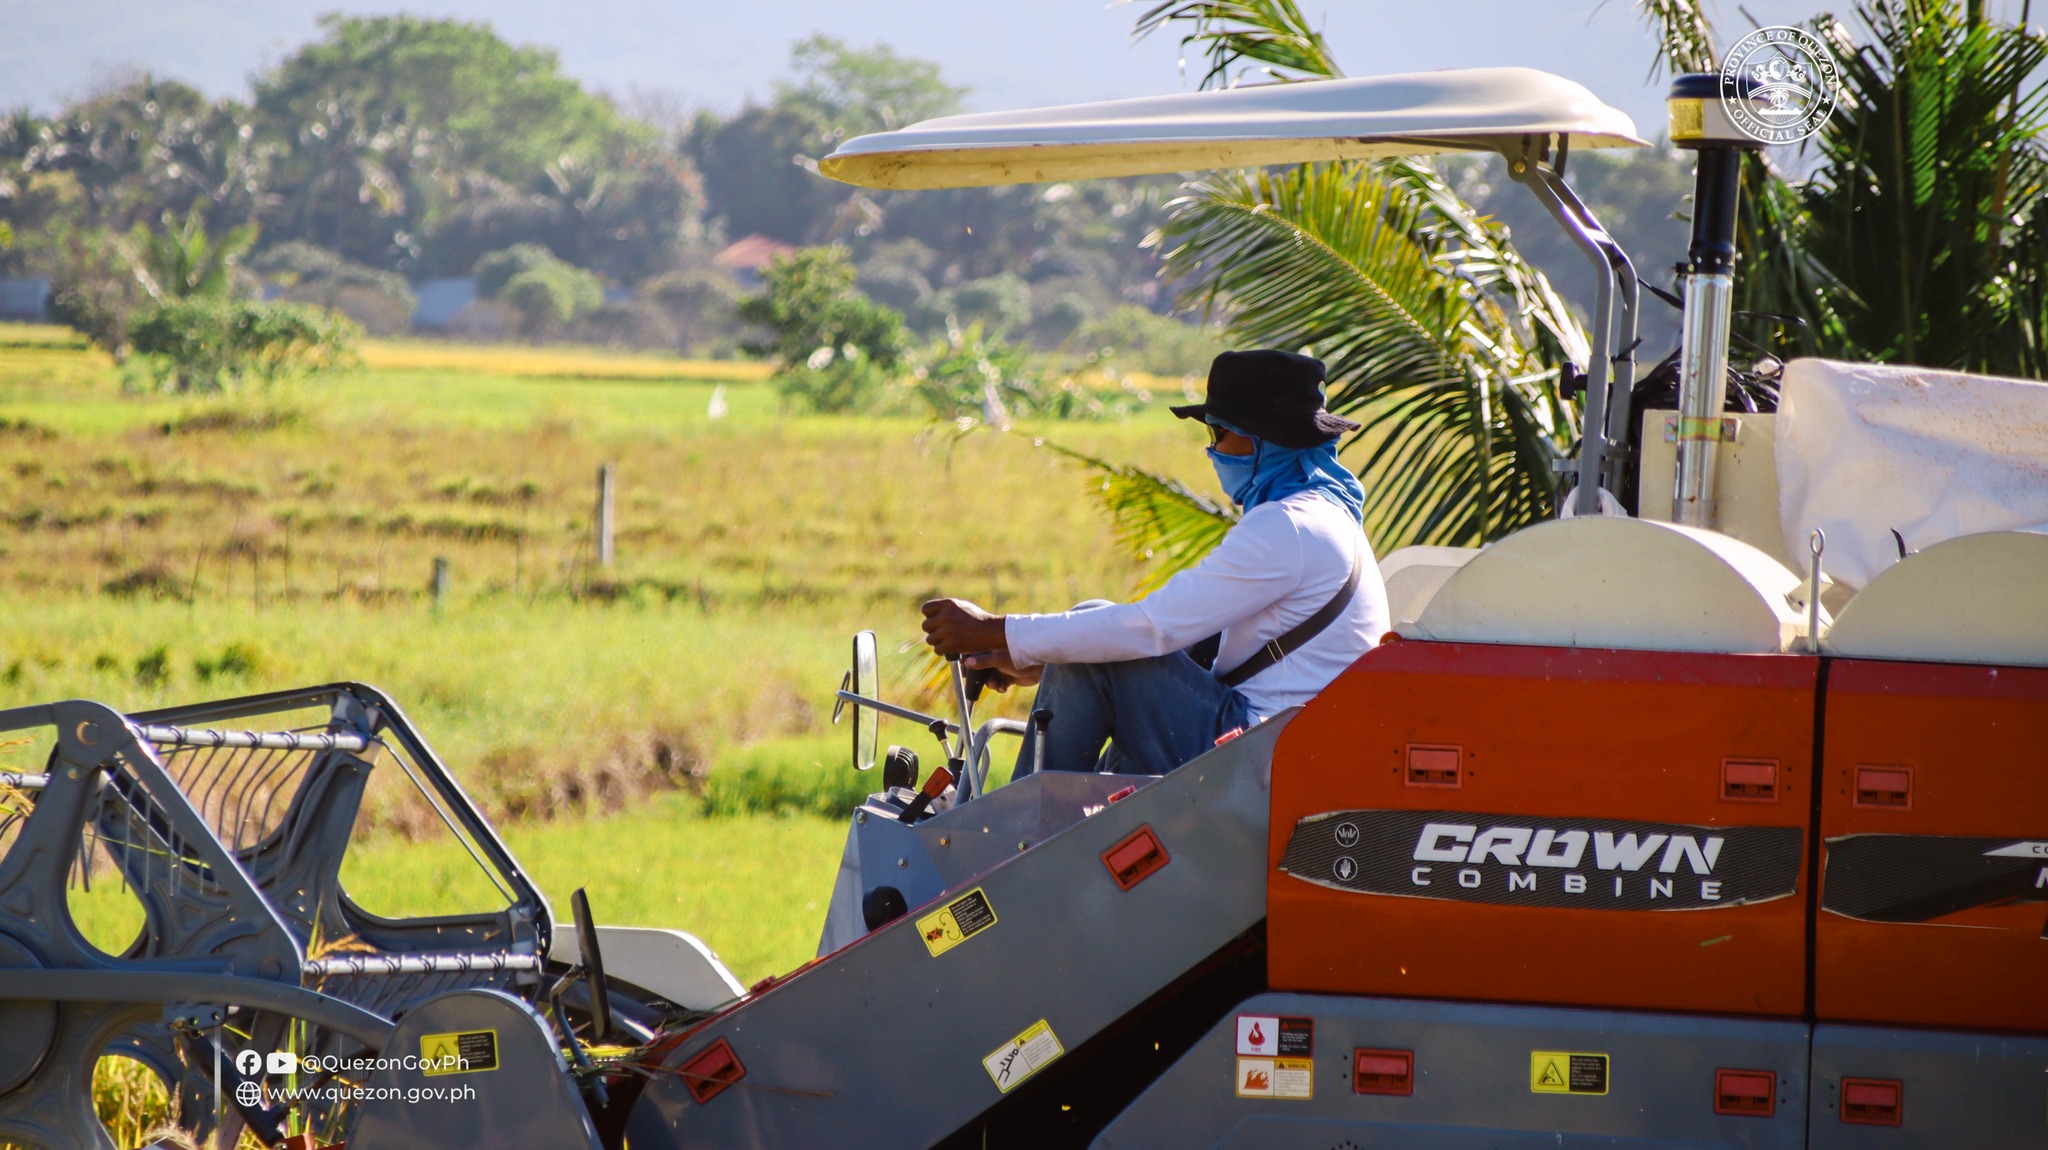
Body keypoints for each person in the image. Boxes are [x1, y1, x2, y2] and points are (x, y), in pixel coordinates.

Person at [921, 349, 1391, 778]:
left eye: (1217, 433)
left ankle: (1018, 836)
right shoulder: (1322, 517)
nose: (1211, 450)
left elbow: (1153, 629)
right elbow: (1195, 648)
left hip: (1263, 755)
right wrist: (1042, 662)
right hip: (1284, 743)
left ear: (1257, 441)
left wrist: (997, 631)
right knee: (1094, 639)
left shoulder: (1287, 525)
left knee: (1096, 625)